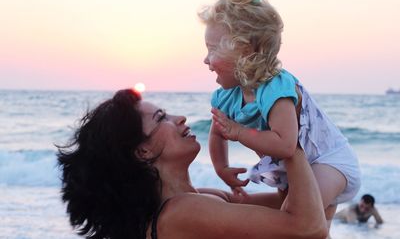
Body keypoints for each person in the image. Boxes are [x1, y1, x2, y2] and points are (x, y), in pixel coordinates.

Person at [198, 0, 361, 234]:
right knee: (309, 228)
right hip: (292, 173)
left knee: (296, 221)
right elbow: (217, 133)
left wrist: (240, 132)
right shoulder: (226, 97)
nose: (205, 59)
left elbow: (286, 144)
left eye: (212, 50)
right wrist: (222, 168)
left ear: (244, 52)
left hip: (328, 162)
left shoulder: (276, 87)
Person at [57, 88, 327, 239]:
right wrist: (288, 143)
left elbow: (302, 205)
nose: (180, 117)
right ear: (142, 151)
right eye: (162, 117)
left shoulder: (198, 198)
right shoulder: (180, 212)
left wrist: (264, 136)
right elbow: (309, 227)